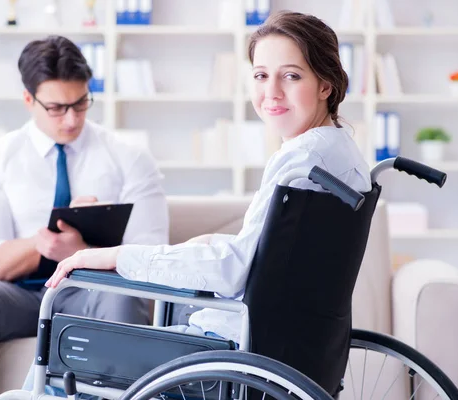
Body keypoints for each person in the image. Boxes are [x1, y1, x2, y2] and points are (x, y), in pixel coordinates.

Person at [44, 10, 372, 347]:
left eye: (290, 76)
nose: (271, 92)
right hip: (289, 342)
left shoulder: (303, 161)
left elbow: (232, 271)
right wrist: (211, 242)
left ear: (325, 85)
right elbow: (269, 259)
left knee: (62, 344)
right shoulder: (340, 152)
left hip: (231, 345)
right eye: (261, 75)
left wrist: (115, 256)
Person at [0, 35, 169, 400]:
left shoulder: (130, 159)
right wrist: (46, 243)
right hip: (22, 297)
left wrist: (86, 250)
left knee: (122, 299)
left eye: (80, 103)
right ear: (29, 99)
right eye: (57, 107)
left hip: (97, 293)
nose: (71, 119)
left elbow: (153, 256)